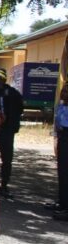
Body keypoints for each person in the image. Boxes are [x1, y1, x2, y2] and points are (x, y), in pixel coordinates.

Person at [0, 70, 24, 198]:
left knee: (6, 160)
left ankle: (4, 186)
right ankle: (2, 186)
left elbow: (19, 110)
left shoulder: (12, 93)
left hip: (5, 130)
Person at [52, 88, 68, 221]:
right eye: (63, 91)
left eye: (66, 92)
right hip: (62, 139)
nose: (63, 94)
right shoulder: (62, 106)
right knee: (62, 173)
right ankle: (62, 202)